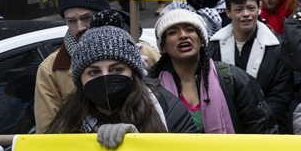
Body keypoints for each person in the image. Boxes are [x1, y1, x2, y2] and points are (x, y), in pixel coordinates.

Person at [46, 16, 196, 141]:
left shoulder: (168, 109)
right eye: (94, 72)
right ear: (80, 80)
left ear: (133, 73)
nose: (105, 77)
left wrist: (137, 144)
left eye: (117, 69)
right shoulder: (66, 120)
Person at [35, 0, 159, 133]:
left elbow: (164, 101)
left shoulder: (144, 52)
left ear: (103, 15)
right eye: (71, 21)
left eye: (87, 18)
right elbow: (47, 133)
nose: (80, 27)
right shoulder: (51, 69)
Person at [150, 8, 276, 134]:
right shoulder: (150, 89)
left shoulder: (233, 79)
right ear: (163, 47)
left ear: (202, 41)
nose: (183, 35)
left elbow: (262, 130)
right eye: (173, 32)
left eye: (190, 29)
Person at [208, 0, 293, 132]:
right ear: (228, 12)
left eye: (251, 8)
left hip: (268, 130)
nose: (246, 14)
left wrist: (255, 122)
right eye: (239, 10)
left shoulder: (277, 47)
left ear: (259, 8)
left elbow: (281, 96)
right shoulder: (214, 47)